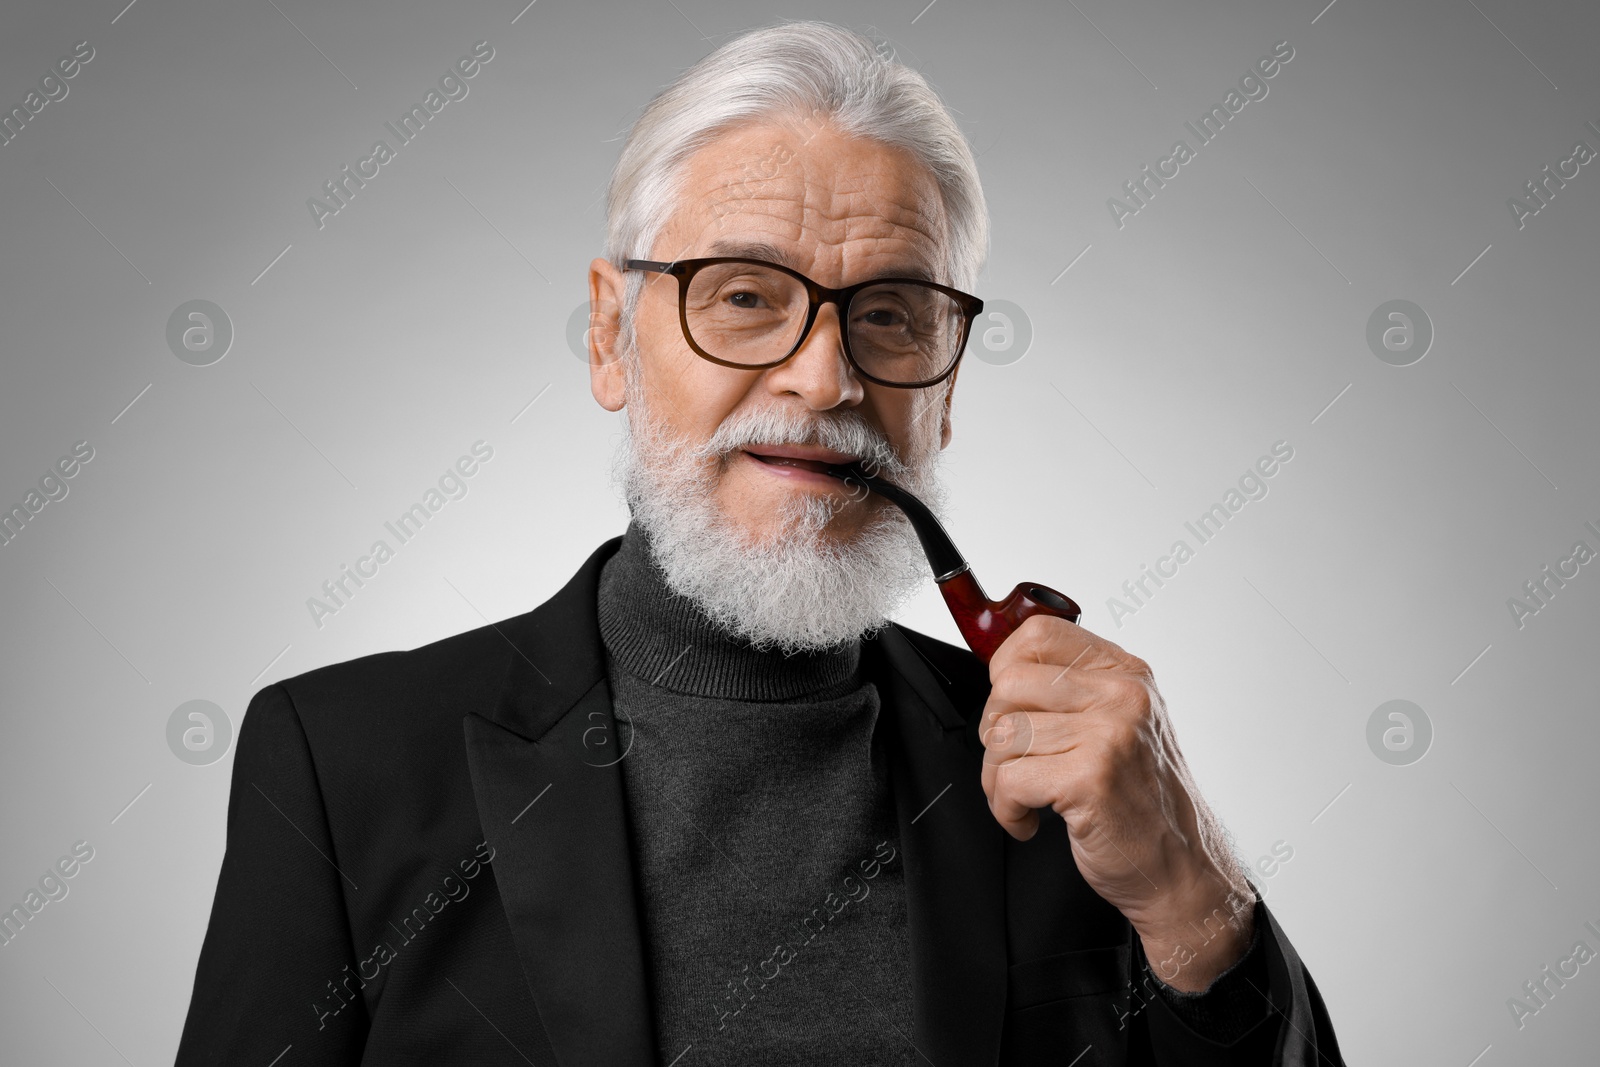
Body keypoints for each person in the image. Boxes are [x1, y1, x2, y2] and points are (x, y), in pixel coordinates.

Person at [175, 19, 1343, 1065]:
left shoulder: (1066, 783)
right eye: (742, 296)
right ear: (608, 336)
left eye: (890, 314)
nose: (824, 375)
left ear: (946, 386)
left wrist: (1194, 897)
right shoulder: (345, 765)